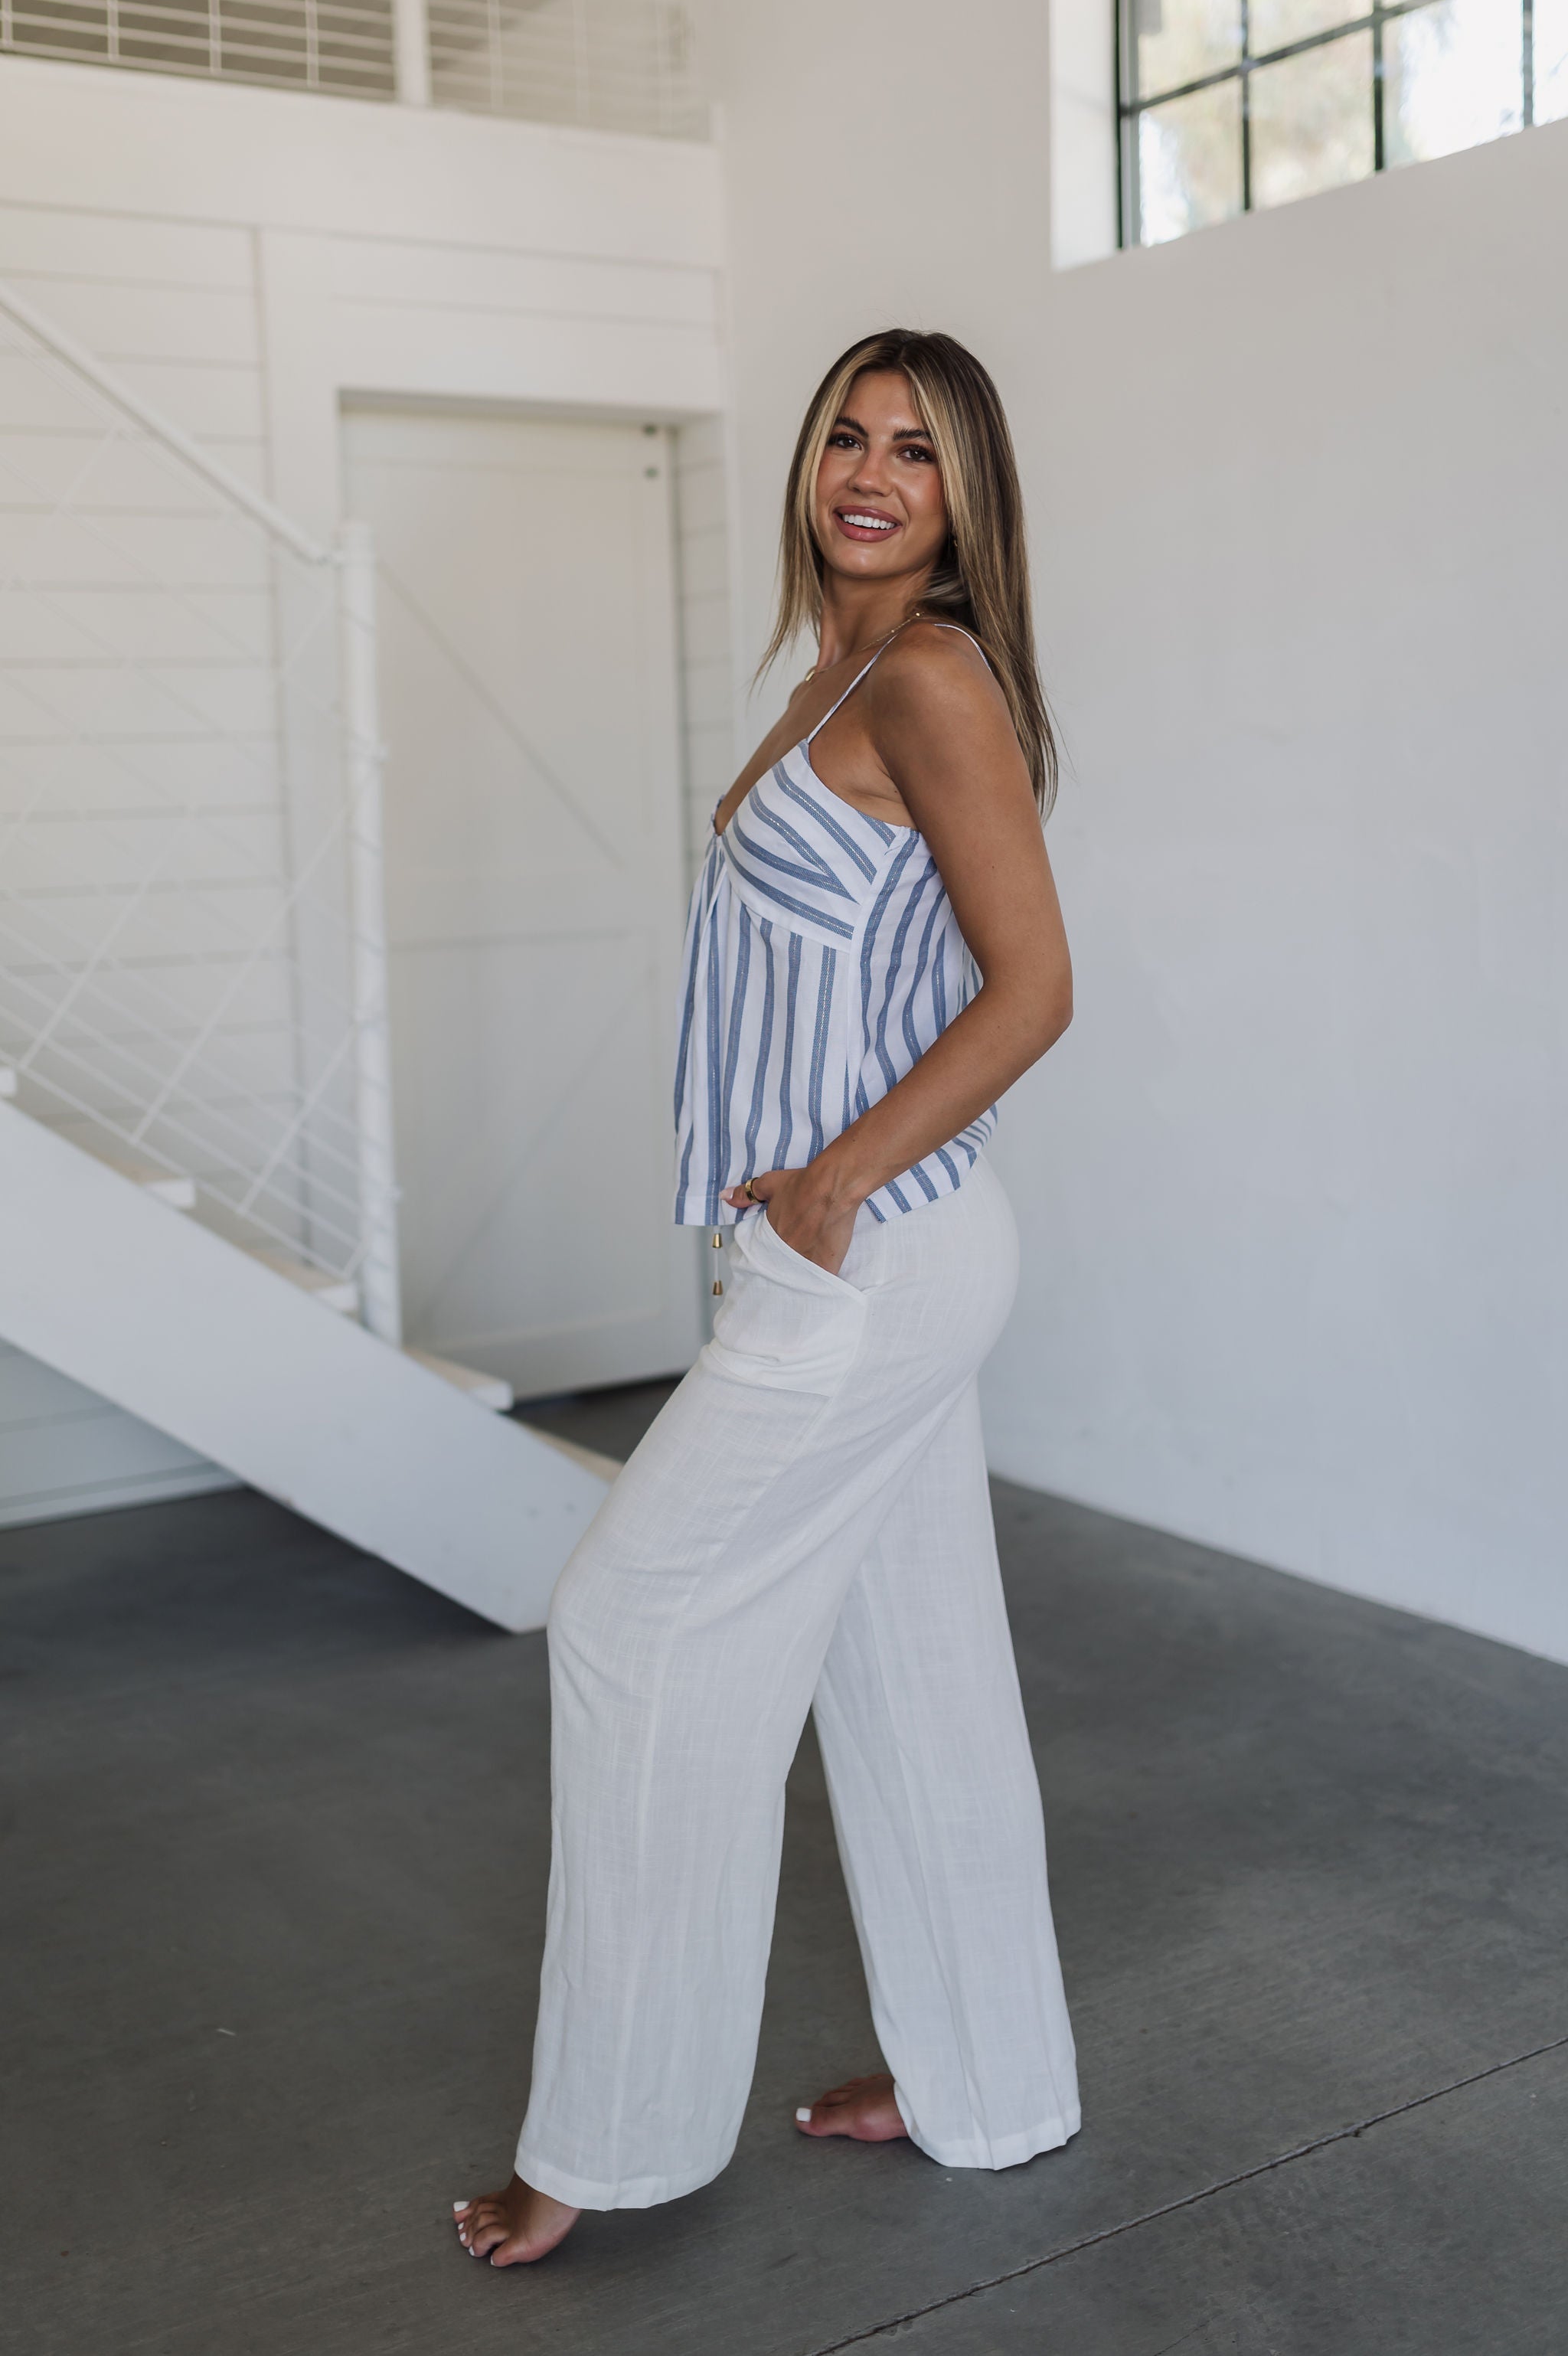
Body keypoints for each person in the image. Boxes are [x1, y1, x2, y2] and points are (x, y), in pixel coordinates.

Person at [454, 328, 1079, 2266]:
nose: (869, 471)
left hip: (870, 1260)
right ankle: (988, 2080)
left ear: (966, 494)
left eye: (916, 448)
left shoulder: (937, 679)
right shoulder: (841, 673)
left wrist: (827, 1180)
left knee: (624, 1627)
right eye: (845, 436)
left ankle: (608, 2142)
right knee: (916, 1681)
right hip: (863, 1255)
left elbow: (1033, 988)